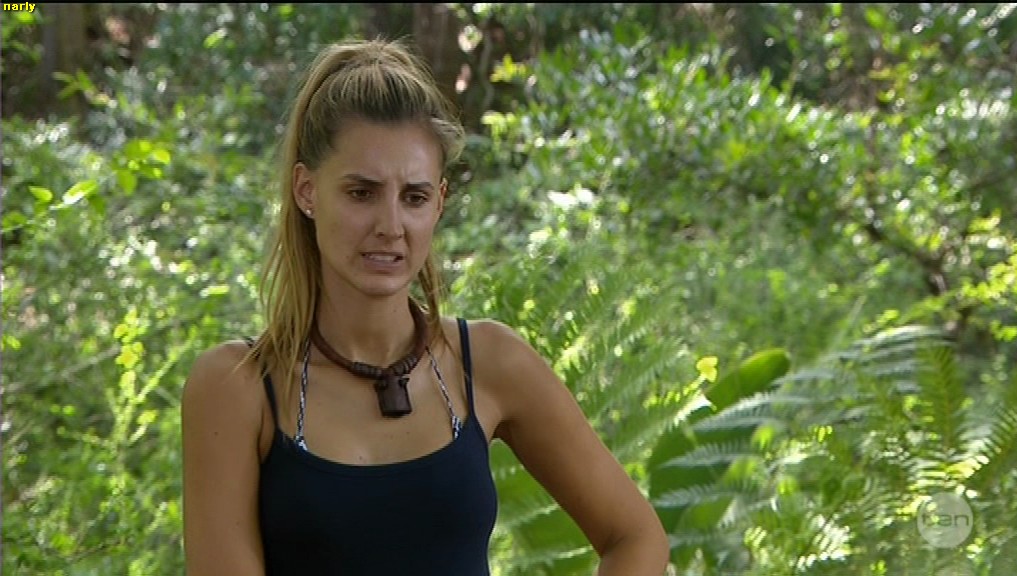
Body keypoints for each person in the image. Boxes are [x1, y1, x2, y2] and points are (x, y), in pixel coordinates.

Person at [181, 37, 670, 575]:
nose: (390, 226)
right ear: (306, 190)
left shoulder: (488, 362)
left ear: (438, 202)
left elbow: (635, 537)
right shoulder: (239, 388)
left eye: (413, 197)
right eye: (361, 193)